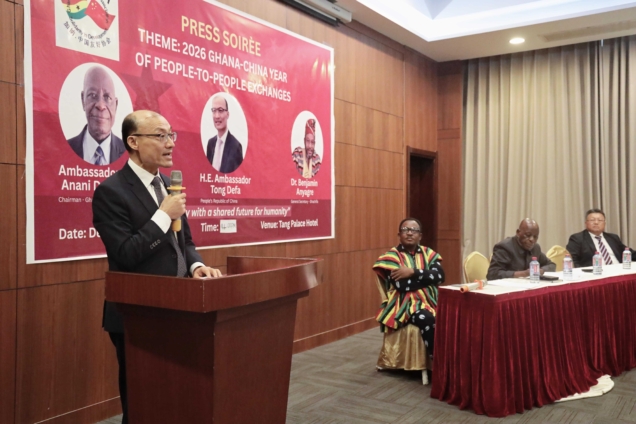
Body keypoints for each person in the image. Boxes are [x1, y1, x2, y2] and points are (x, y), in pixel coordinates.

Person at [92, 110, 222, 424]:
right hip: (138, 315)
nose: (170, 143)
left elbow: (184, 242)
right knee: (143, 404)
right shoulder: (111, 192)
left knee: (176, 400)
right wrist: (163, 215)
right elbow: (125, 254)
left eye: (171, 135)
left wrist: (196, 266)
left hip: (178, 309)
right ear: (133, 142)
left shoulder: (167, 185)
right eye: (160, 136)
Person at [373, 218, 444, 358]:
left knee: (454, 315)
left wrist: (412, 272)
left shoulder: (428, 253)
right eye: (405, 230)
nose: (410, 233)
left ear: (420, 236)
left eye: (414, 230)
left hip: (432, 300)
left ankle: (452, 358)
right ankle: (437, 359)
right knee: (426, 318)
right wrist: (428, 278)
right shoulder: (391, 257)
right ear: (399, 235)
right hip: (403, 304)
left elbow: (440, 277)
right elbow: (403, 286)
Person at [67, 65, 126, 165]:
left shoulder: (131, 155)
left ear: (116, 105)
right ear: (83, 100)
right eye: (93, 95)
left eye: (107, 97)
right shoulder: (63, 150)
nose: (101, 106)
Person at [487, 218, 555, 280]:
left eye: (535, 237)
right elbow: (492, 274)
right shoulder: (504, 247)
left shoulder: (535, 248)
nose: (532, 240)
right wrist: (523, 274)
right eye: (528, 235)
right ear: (518, 232)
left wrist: (541, 270)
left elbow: (552, 265)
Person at [566, 208, 636, 267]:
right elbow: (572, 260)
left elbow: (629, 253)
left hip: (618, 271)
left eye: (600, 220)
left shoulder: (613, 237)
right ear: (586, 223)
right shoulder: (577, 238)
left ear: (604, 223)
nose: (596, 222)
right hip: (595, 274)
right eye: (592, 220)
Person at [205, 95, 243, 173]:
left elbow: (237, 176)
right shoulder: (210, 143)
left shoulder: (235, 146)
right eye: (214, 111)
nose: (217, 116)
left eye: (220, 110)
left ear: (227, 114)